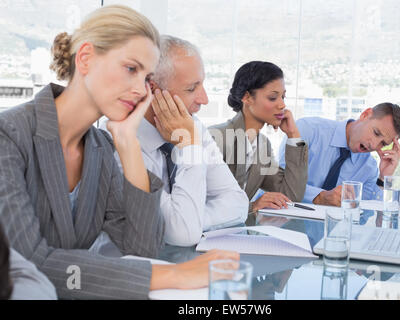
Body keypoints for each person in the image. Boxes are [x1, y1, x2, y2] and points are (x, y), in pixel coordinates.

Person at [0, 5, 238, 300]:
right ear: (85, 58)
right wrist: (175, 274)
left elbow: (141, 246)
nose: (140, 90)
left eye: (147, 78)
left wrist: (128, 145)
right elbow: (30, 265)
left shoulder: (100, 147)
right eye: (130, 69)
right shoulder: (8, 135)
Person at [101, 35, 248, 247]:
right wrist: (189, 148)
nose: (204, 99)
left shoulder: (193, 126)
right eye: (191, 89)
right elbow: (182, 235)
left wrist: (192, 220)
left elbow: (238, 202)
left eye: (202, 84)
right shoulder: (118, 143)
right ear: (150, 90)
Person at [209, 61, 308, 214]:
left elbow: (291, 196)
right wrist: (252, 207)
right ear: (247, 97)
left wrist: (293, 136)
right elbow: (198, 205)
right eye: (273, 98)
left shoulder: (262, 146)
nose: (282, 105)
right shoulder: (215, 138)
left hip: (235, 234)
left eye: (283, 96)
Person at [279, 102, 400, 207]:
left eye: (383, 144)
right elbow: (280, 182)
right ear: (365, 115)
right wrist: (320, 197)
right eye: (376, 133)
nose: (374, 145)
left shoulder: (368, 168)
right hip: (282, 225)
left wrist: (383, 178)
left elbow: (368, 215)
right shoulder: (308, 130)